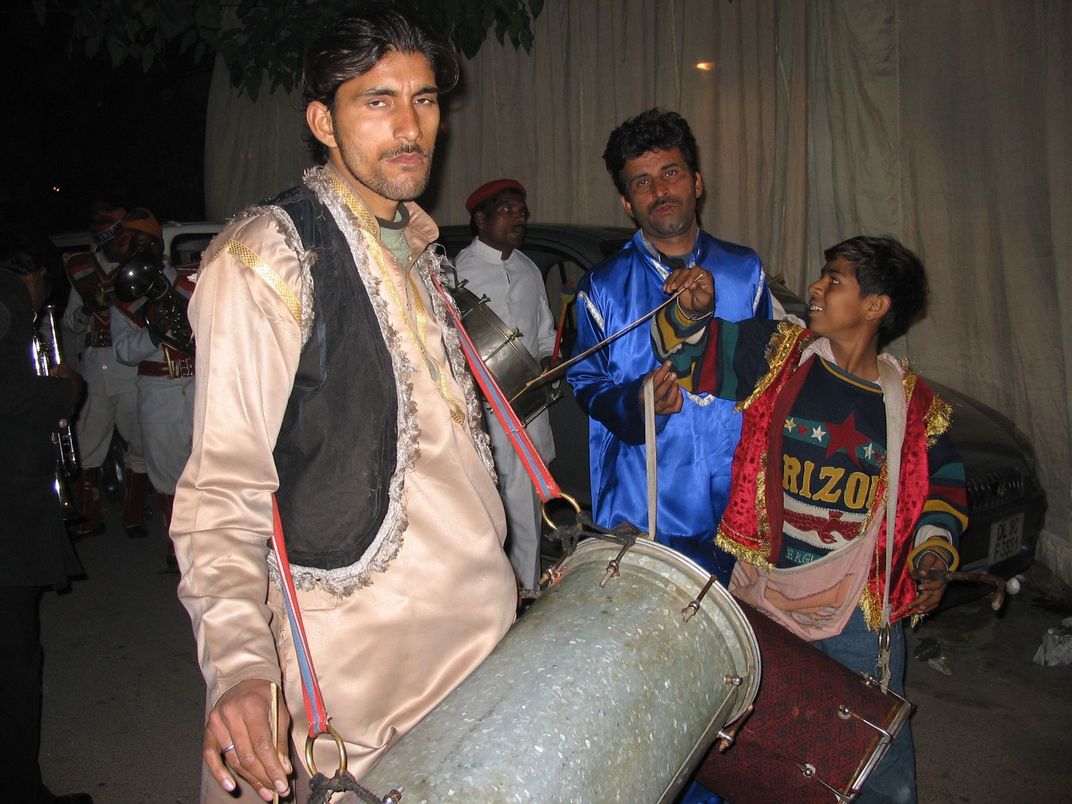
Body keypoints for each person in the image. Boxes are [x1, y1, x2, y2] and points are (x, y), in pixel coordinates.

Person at [170, 6, 516, 802]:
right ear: (323, 120)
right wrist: (242, 668)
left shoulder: (422, 250)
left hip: (482, 650)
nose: (410, 126)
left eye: (424, 100)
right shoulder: (268, 257)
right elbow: (220, 491)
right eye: (377, 100)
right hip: (358, 680)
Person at [652, 235, 968, 802]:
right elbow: (688, 358)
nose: (815, 289)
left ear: (875, 306)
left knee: (875, 757)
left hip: (856, 612)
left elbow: (941, 485)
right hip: (766, 593)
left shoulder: (911, 405)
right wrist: (691, 311)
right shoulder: (779, 355)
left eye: (834, 279)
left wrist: (934, 552)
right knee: (763, 747)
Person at [566, 108, 773, 579]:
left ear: (696, 182)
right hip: (644, 506)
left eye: (670, 173)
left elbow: (768, 376)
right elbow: (583, 381)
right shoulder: (601, 287)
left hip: (734, 498)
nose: (659, 191)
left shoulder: (744, 270)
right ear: (626, 203)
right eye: (641, 183)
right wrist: (635, 400)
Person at [0, 249, 92, 804]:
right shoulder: (8, 302)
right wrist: (64, 389)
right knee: (13, 659)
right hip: (7, 516)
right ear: (33, 278)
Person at [453, 178, 556, 590]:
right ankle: (491, 600)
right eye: (508, 210)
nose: (520, 218)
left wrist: (550, 360)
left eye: (522, 211)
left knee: (528, 509)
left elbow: (545, 332)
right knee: (488, 515)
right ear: (481, 219)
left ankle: (527, 595)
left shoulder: (528, 269)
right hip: (486, 418)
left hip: (529, 411)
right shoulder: (455, 274)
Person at [109, 209, 195, 572]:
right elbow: (123, 352)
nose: (143, 249)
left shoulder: (192, 283)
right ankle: (180, 552)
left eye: (148, 242)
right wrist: (153, 333)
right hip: (158, 392)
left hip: (198, 385)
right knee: (167, 476)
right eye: (135, 243)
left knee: (208, 470)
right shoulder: (126, 296)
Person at [63, 203, 151, 539]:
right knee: (88, 448)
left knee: (141, 444)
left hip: (129, 372)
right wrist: (87, 309)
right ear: (106, 241)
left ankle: (133, 515)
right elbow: (70, 322)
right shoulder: (83, 272)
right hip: (95, 374)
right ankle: (90, 515)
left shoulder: (136, 270)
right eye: (120, 239)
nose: (125, 244)